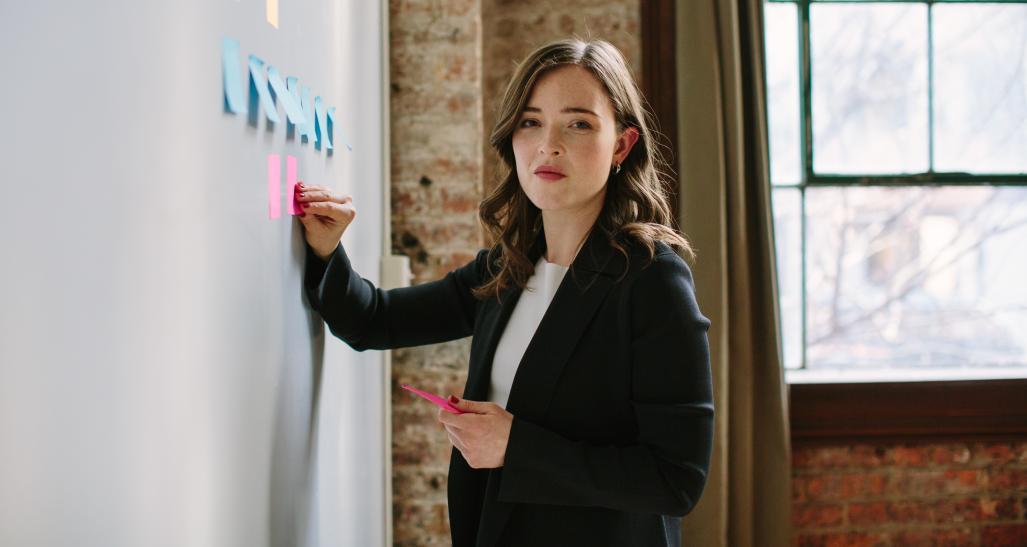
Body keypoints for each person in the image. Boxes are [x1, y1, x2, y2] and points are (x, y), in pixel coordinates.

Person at [297, 38, 713, 547]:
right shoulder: (507, 268)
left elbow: (677, 479)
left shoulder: (653, 281)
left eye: (578, 123)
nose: (548, 145)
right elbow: (372, 320)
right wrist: (326, 249)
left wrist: (516, 446)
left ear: (622, 146)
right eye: (531, 121)